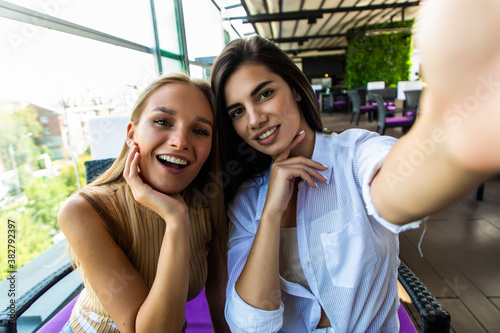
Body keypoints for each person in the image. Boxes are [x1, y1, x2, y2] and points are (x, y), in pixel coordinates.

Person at [210, 0, 500, 331]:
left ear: (295, 89)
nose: (255, 118)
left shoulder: (353, 154)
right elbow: (250, 324)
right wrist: (272, 212)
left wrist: (456, 140)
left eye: (264, 94)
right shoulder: (247, 200)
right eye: (237, 111)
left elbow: (392, 190)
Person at [58, 73, 229, 333]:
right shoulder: (84, 211)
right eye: (162, 121)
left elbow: (219, 297)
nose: (180, 141)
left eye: (199, 131)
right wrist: (176, 221)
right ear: (131, 133)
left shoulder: (209, 204)